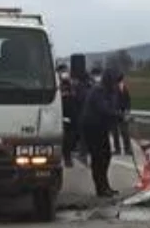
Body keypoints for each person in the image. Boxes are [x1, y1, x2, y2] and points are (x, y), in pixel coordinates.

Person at [79, 68, 124, 197]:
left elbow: (113, 108)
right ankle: (100, 188)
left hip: (101, 128)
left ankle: (105, 186)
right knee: (98, 158)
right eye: (116, 81)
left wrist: (119, 115)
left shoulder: (112, 92)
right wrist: (120, 116)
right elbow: (104, 109)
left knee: (106, 156)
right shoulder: (98, 91)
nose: (117, 84)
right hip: (91, 127)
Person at [57, 64, 78, 167]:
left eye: (66, 71)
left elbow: (76, 96)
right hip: (59, 114)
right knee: (64, 138)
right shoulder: (56, 85)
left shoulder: (72, 85)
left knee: (70, 136)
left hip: (71, 114)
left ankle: (68, 156)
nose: (64, 73)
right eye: (62, 71)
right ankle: (66, 157)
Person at [111, 76, 133, 156]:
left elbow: (127, 100)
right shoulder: (117, 88)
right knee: (117, 132)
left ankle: (124, 149)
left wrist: (127, 110)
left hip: (121, 112)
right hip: (117, 112)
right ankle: (122, 149)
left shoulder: (123, 88)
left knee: (123, 131)